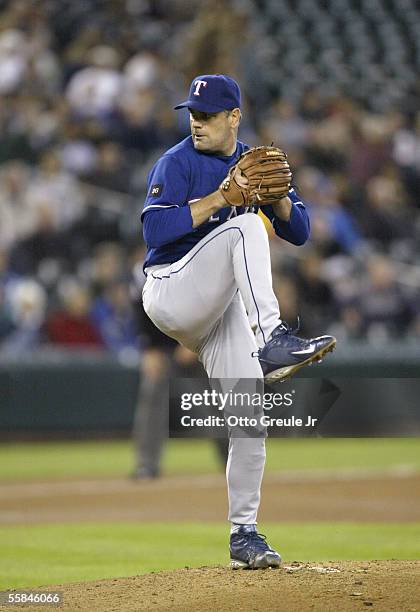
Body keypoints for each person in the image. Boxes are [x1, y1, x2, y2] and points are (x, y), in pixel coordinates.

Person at [140, 74, 336, 569]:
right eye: (192, 113)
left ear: (234, 117)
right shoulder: (176, 161)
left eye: (206, 115)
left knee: (248, 418)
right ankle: (272, 336)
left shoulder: (254, 162)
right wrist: (221, 200)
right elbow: (154, 228)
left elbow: (301, 232)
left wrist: (281, 198)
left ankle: (243, 535)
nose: (196, 122)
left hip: (217, 310)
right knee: (246, 224)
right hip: (172, 287)